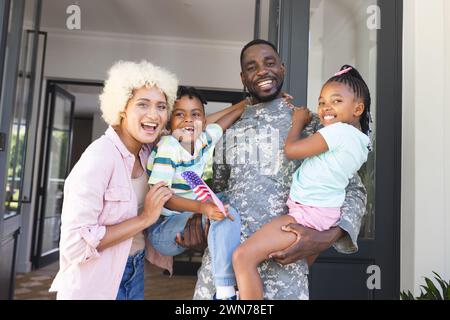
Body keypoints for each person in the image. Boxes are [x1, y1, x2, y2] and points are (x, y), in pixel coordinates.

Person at [185, 39, 368, 300]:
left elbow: (353, 189)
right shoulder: (229, 130)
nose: (262, 71)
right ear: (243, 78)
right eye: (252, 67)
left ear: (282, 68)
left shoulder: (313, 125)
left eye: (269, 63)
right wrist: (197, 220)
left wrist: (326, 237)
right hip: (222, 270)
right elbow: (218, 191)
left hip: (284, 275)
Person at [232, 65, 372, 299]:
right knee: (294, 271)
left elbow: (292, 150)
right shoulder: (360, 141)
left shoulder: (333, 130)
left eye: (336, 101)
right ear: (243, 77)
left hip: (307, 215)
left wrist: (298, 121)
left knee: (242, 257)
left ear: (358, 108)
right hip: (321, 213)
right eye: (322, 101)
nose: (326, 107)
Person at [49, 60, 178, 299]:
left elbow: (195, 128)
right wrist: (145, 218)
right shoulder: (99, 158)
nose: (153, 114)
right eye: (142, 104)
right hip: (95, 282)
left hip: (134, 271)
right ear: (122, 109)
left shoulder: (148, 153)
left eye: (161, 106)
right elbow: (75, 246)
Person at [146, 86, 246, 300]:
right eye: (180, 114)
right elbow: (162, 197)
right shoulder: (169, 146)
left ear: (203, 120)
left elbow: (224, 122)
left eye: (195, 114)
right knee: (221, 215)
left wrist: (246, 104)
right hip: (164, 230)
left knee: (232, 203)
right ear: (169, 121)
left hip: (189, 217)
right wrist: (204, 208)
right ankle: (225, 291)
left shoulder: (202, 140)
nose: (188, 121)